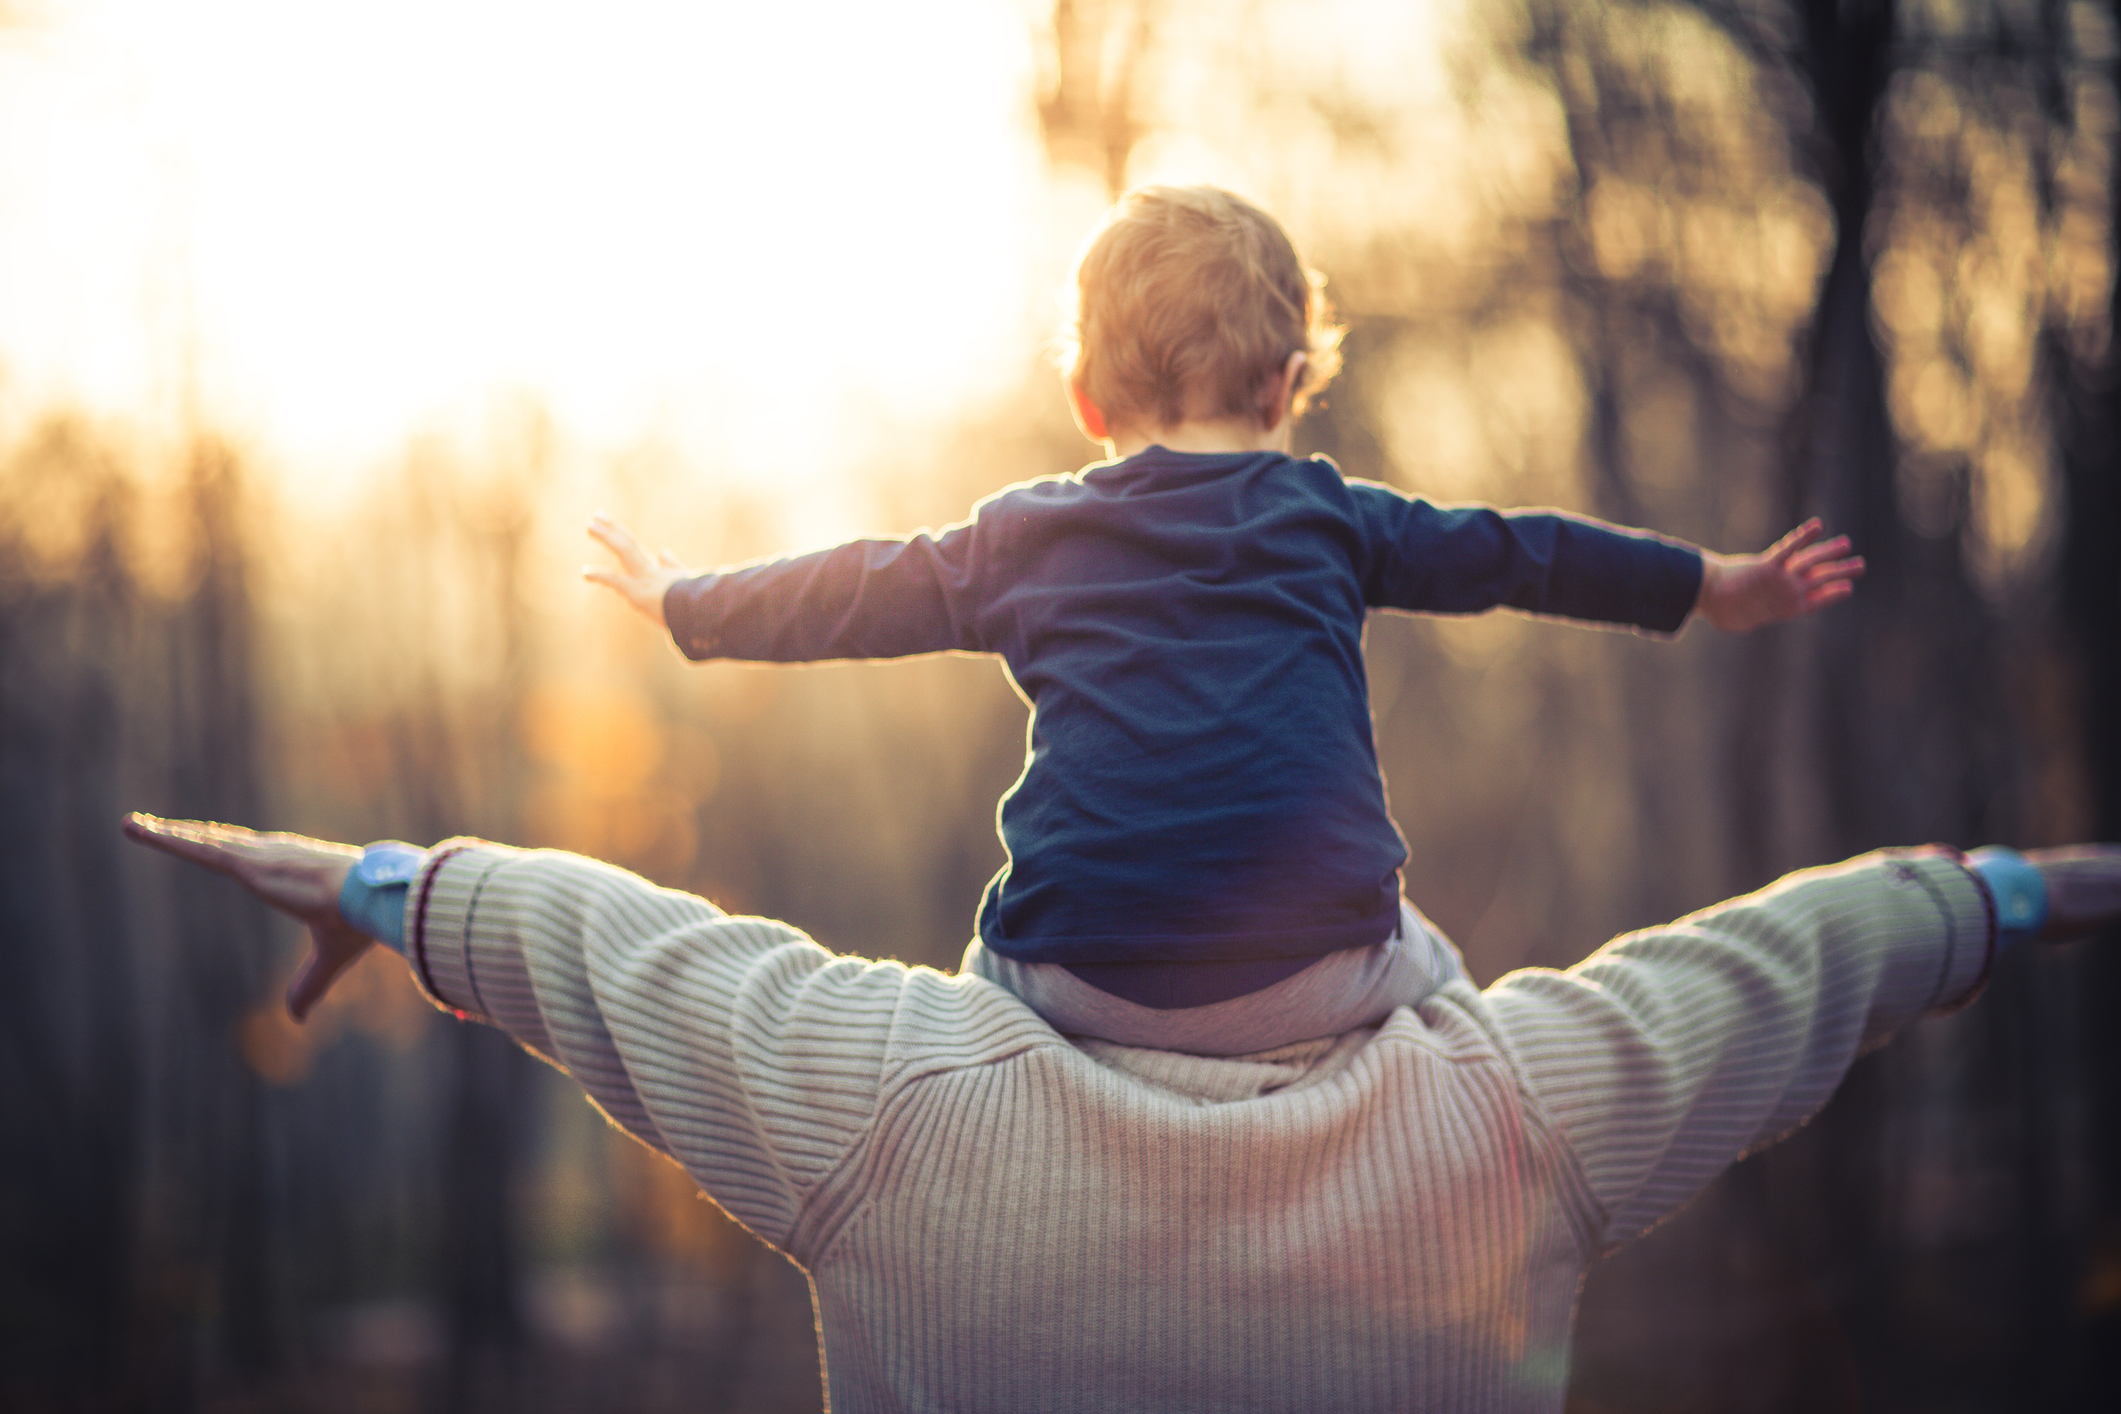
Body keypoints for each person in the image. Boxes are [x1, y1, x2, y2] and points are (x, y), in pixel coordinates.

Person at [123, 812, 2117, 1412]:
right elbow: (1793, 962)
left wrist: (385, 892)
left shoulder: (901, 1102)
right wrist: (2011, 893)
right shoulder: (1504, 1110)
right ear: (1375, 905)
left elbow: (602, 943)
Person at [582, 185, 1866, 1054]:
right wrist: (1707, 581)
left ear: (1087, 402)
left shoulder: (1027, 535)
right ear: (1285, 382)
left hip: (1074, 975)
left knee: (974, 994)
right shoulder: (1325, 514)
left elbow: (856, 589)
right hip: (1321, 963)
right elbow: (1517, 554)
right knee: (1459, 994)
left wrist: (689, 601)